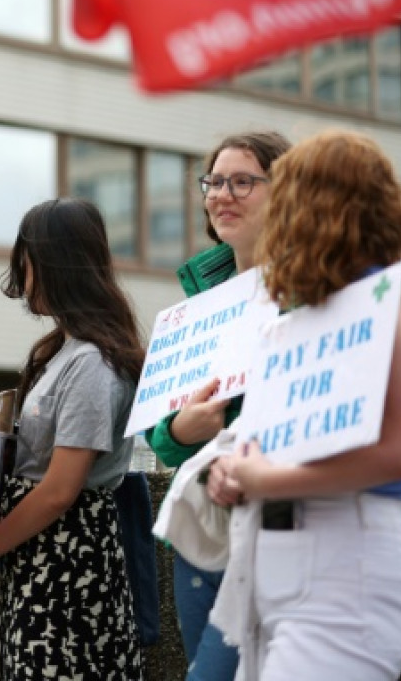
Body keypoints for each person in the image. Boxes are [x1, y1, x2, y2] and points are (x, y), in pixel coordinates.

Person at [206, 130, 401, 679]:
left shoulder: (399, 304)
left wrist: (261, 479)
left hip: (347, 578)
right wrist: (228, 469)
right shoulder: (305, 316)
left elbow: (396, 456)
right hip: (278, 575)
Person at [0, 198, 144, 679]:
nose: (23, 279)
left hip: (69, 554)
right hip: (42, 550)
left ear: (49, 264)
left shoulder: (89, 361)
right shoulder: (64, 349)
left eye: (26, 264)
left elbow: (61, 488)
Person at [147, 130, 290, 681]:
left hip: (283, 521)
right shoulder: (202, 297)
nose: (220, 195)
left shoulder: (315, 287)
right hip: (204, 528)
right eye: (214, 182)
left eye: (241, 182)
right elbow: (159, 435)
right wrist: (182, 430)